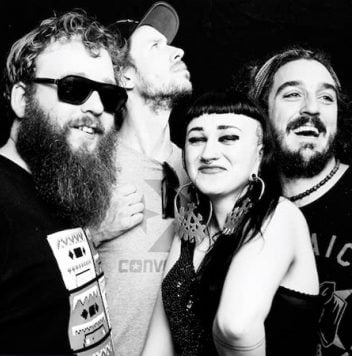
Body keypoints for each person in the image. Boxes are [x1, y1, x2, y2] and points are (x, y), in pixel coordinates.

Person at [0, 10, 126, 355]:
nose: (98, 106)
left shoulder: (58, 183)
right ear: (22, 99)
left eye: (110, 95)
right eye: (75, 88)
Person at [142, 92, 321, 355]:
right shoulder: (191, 224)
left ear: (259, 155)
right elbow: (158, 345)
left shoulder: (281, 215)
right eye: (196, 139)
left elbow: (235, 326)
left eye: (228, 138)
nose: (208, 153)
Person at [92, 3, 193, 354]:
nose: (177, 50)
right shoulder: (90, 165)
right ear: (126, 77)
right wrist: (92, 233)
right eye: (155, 45)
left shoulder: (200, 168)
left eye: (171, 44)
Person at [249, 47, 352, 355]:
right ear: (262, 112)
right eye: (293, 94)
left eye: (326, 98)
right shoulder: (246, 213)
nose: (312, 109)